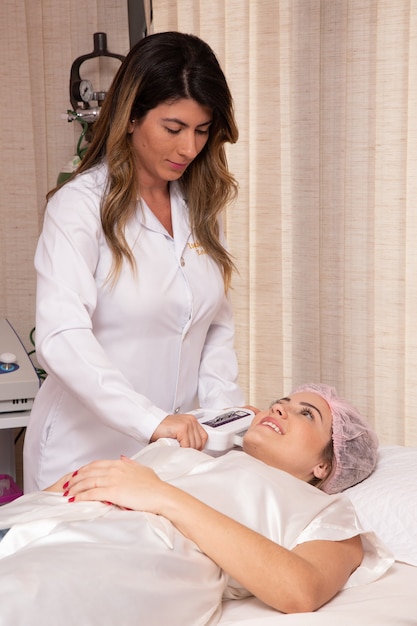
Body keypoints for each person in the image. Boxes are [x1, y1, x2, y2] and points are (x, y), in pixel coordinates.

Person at [23, 31, 245, 492]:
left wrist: (226, 425)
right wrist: (151, 419)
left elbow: (214, 328)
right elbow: (62, 337)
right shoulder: (79, 207)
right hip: (81, 450)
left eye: (202, 130)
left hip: (168, 457)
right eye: (173, 128)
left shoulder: (199, 209)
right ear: (130, 118)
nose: (189, 148)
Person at [1, 385, 392, 625]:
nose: (279, 409)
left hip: (125, 560)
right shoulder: (192, 450)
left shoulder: (328, 513)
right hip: (38, 522)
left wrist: (161, 496)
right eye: (281, 402)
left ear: (326, 463)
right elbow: (70, 487)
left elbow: (300, 591)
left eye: (306, 414)